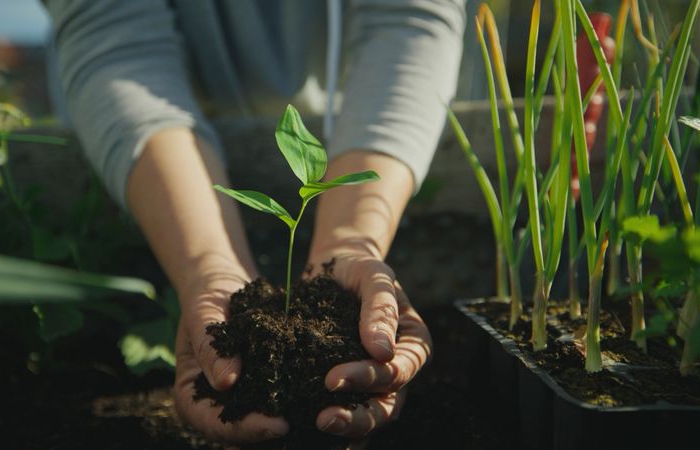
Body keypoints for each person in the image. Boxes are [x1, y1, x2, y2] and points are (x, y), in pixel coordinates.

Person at [45, 0, 465, 446]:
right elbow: (113, 35)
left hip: (365, 126)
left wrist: (352, 243)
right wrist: (207, 269)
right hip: (152, 157)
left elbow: (407, 18)